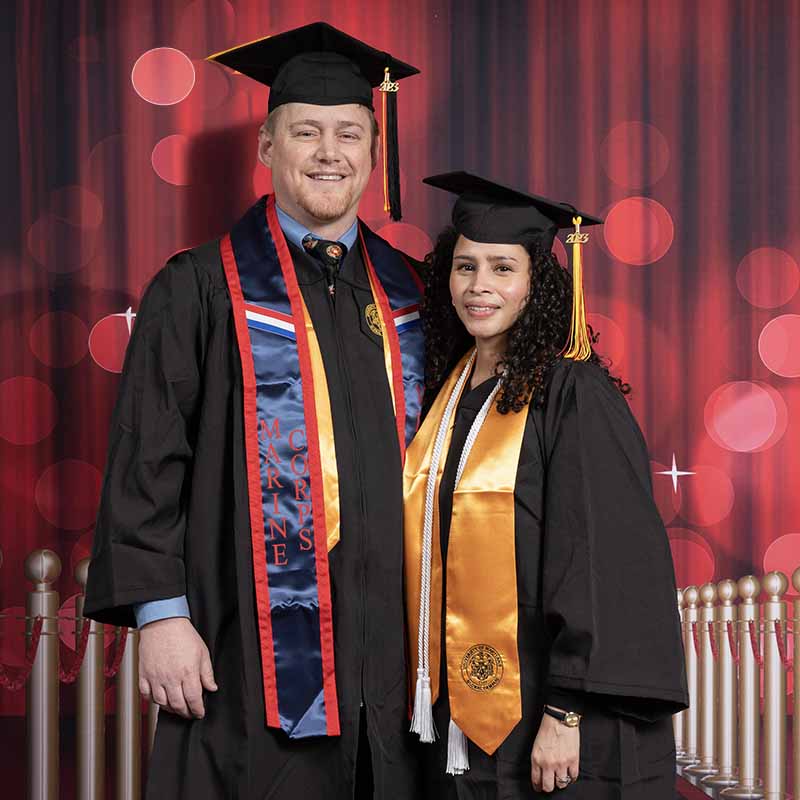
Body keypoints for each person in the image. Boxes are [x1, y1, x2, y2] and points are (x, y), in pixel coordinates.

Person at [83, 22, 426, 800]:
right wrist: (161, 618)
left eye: (349, 133)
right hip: (246, 649)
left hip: (397, 655)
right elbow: (148, 456)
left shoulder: (416, 296)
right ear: (268, 147)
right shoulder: (201, 287)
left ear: (375, 152)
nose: (329, 152)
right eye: (306, 132)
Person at [404, 172, 689, 799]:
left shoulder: (571, 393)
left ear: (539, 283)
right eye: (465, 266)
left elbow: (604, 559)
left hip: (549, 710)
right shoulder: (447, 395)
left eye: (503, 268)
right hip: (464, 704)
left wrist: (566, 712)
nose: (479, 287)